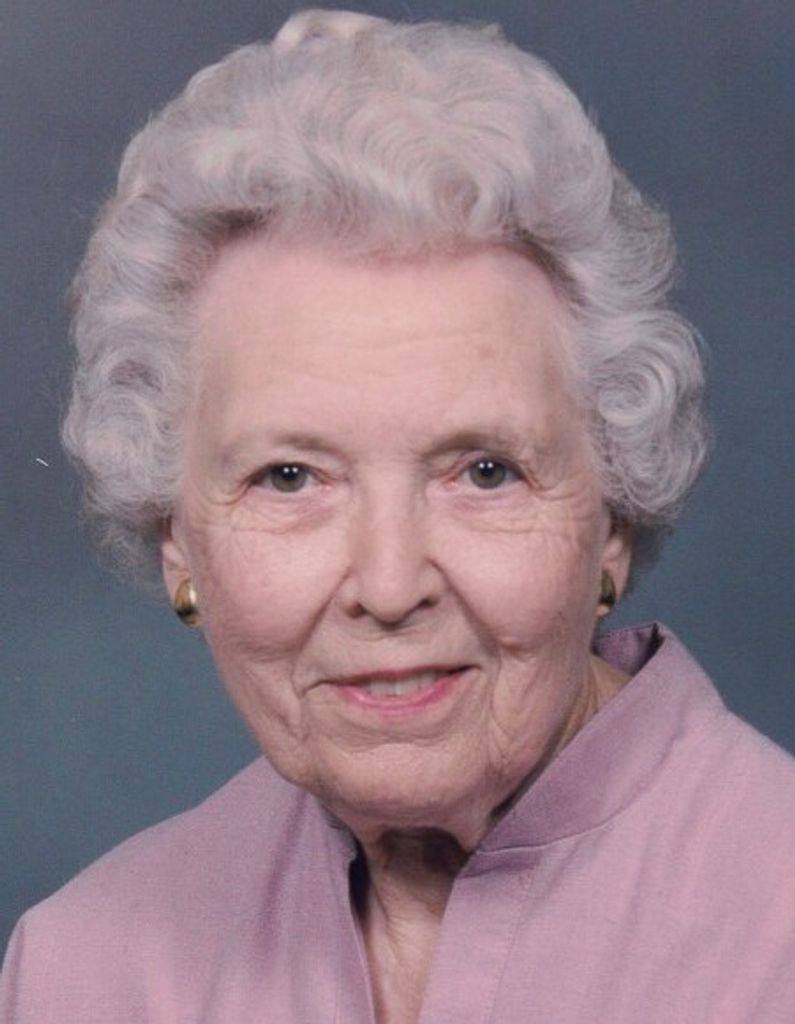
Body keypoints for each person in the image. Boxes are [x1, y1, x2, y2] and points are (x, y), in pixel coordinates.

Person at [2, 9, 794, 1022]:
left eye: (485, 471)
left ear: (611, 520)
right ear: (176, 538)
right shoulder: (83, 972)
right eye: (290, 477)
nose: (387, 586)